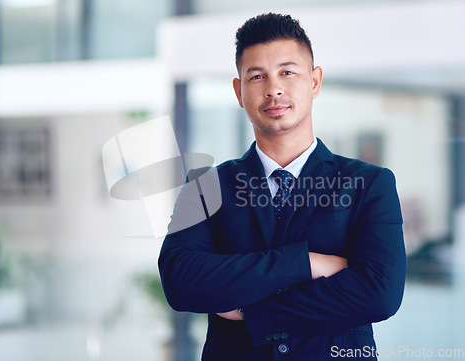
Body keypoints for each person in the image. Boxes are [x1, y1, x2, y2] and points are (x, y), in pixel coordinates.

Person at [158, 13, 406, 361]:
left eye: (287, 72)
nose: (273, 88)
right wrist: (306, 263)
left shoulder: (369, 183)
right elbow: (181, 282)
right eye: (257, 76)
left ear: (315, 82)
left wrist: (250, 312)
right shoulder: (204, 186)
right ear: (239, 92)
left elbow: (379, 293)